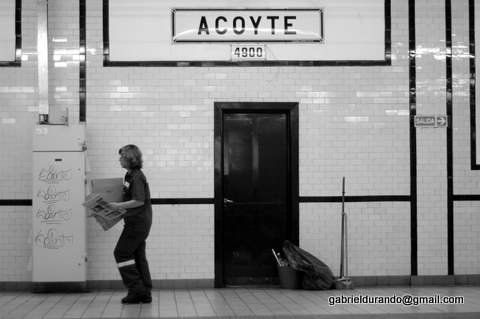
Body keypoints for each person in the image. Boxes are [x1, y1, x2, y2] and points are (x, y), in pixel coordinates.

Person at [108, 144, 153, 304]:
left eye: (122, 157)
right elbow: (129, 198)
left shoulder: (137, 176)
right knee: (138, 256)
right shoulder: (129, 176)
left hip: (138, 223)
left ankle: (136, 290)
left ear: (129, 158)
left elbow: (139, 201)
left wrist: (117, 206)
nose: (119, 159)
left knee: (121, 253)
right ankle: (145, 292)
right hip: (136, 222)